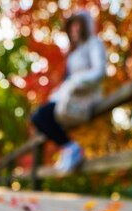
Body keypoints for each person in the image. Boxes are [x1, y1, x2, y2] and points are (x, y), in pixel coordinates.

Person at [31, 11, 107, 173]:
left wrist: (76, 82)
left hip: (84, 96)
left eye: (77, 26)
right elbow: (67, 82)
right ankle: (69, 148)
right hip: (68, 97)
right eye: (71, 27)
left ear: (85, 27)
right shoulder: (73, 53)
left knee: (42, 116)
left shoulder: (94, 43)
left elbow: (99, 71)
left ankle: (71, 148)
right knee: (39, 118)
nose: (74, 30)